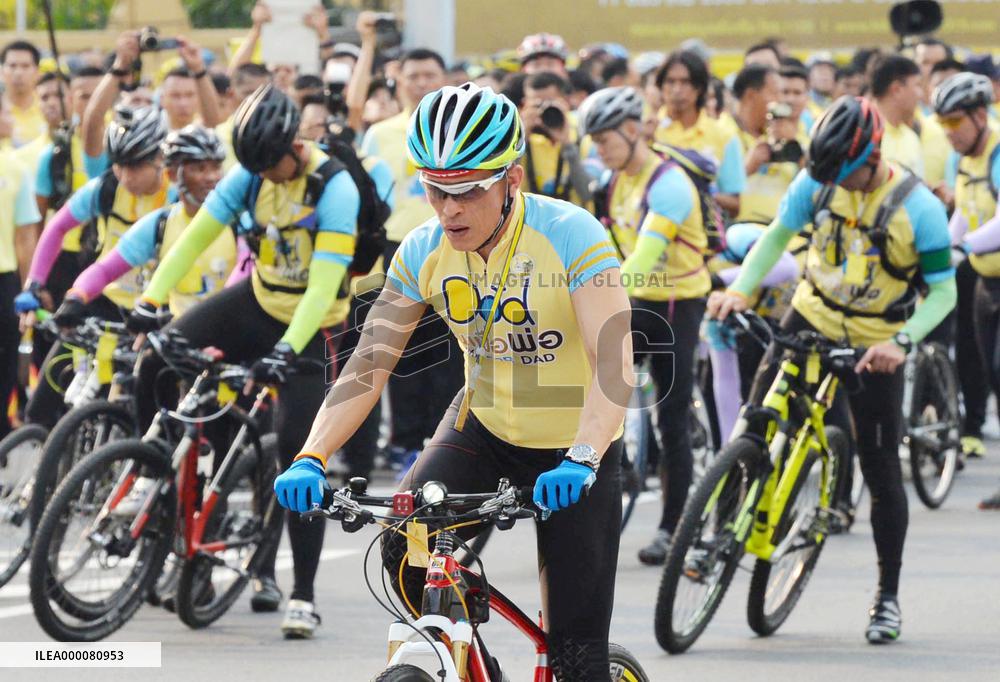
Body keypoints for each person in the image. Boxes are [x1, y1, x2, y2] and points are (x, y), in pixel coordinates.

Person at [274, 82, 631, 679]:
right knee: (402, 547)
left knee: (576, 657)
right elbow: (368, 365)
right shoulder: (421, 250)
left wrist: (585, 455)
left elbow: (615, 367)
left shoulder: (573, 234)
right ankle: (465, 657)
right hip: (484, 428)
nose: (449, 209)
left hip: (576, 447)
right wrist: (312, 454)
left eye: (467, 191)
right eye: (436, 189)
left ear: (512, 180)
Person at [709, 96, 956, 644]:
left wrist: (903, 341)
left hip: (876, 340)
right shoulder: (816, 184)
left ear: (874, 156)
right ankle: (714, 532)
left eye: (849, 178)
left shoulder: (921, 209)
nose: (840, 189)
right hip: (812, 314)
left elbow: (943, 291)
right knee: (754, 421)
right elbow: (774, 236)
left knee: (882, 468)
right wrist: (742, 290)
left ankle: (887, 596)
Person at [130, 84, 360, 638]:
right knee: (154, 361)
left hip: (315, 323)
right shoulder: (251, 173)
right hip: (257, 300)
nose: (270, 178)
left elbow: (324, 282)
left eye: (275, 167)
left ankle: (302, 594)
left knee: (300, 456)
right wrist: (151, 299)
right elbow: (190, 240)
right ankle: (150, 472)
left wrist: (286, 350)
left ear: (295, 148)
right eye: (257, 169)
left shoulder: (336, 187)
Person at [580, 86, 709, 565]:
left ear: (633, 130)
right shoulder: (612, 180)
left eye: (605, 140)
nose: (598, 150)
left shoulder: (669, 184)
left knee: (670, 416)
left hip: (677, 304)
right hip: (634, 301)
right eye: (592, 142)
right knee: (595, 390)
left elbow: (643, 258)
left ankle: (674, 527)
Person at [14, 106, 170, 430]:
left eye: (135, 165)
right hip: (103, 298)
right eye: (119, 164)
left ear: (159, 159)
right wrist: (34, 284)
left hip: (156, 309)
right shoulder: (106, 188)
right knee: (42, 404)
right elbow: (56, 228)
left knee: (148, 413)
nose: (125, 176)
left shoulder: (178, 194)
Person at [360, 48, 464, 473]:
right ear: (398, 80)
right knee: (402, 346)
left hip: (455, 243)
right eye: (414, 75)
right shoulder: (379, 133)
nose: (422, 82)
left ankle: (449, 437)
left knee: (454, 343)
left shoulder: (464, 128)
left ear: (445, 79)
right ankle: (404, 441)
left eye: (431, 74)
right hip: (399, 245)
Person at [52, 125, 234, 325]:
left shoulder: (239, 223)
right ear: (172, 174)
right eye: (199, 169)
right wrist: (76, 297)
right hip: (175, 332)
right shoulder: (161, 224)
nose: (211, 177)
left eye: (216, 167)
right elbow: (105, 270)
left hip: (228, 328)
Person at [933, 74, 1000, 468]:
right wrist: (937, 249)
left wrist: (963, 246)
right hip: (985, 285)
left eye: (955, 122)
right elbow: (964, 213)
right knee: (991, 378)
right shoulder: (964, 159)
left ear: (980, 114)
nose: (949, 132)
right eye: (942, 123)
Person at [654, 50, 745, 217]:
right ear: (661, 86)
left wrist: (699, 194)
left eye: (685, 82)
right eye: (670, 82)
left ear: (700, 87)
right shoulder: (649, 132)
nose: (677, 90)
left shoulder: (723, 135)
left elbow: (735, 204)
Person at [0, 97, 41, 440]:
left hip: (4, 280)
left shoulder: (14, 168)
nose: (7, 118)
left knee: (4, 367)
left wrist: (29, 287)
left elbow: (26, 237)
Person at [729, 64, 804, 224]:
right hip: (739, 233)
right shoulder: (723, 132)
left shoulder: (786, 133)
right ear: (751, 95)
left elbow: (818, 181)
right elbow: (712, 190)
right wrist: (748, 167)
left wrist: (795, 148)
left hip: (788, 233)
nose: (782, 101)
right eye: (775, 93)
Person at [519, 71, 594, 206]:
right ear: (525, 105)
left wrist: (567, 144)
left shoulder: (583, 134)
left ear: (565, 101)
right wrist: (521, 139)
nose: (544, 112)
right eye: (536, 106)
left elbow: (587, 193)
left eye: (550, 105)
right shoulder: (517, 140)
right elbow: (505, 186)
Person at [871, 56, 924, 178]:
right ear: (897, 90)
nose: (920, 95)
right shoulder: (863, 136)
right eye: (917, 85)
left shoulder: (911, 137)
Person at [1, 40, 45, 147]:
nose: (18, 73)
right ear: (1, 71)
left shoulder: (48, 108)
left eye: (25, 66)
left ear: (37, 72)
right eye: (12, 66)